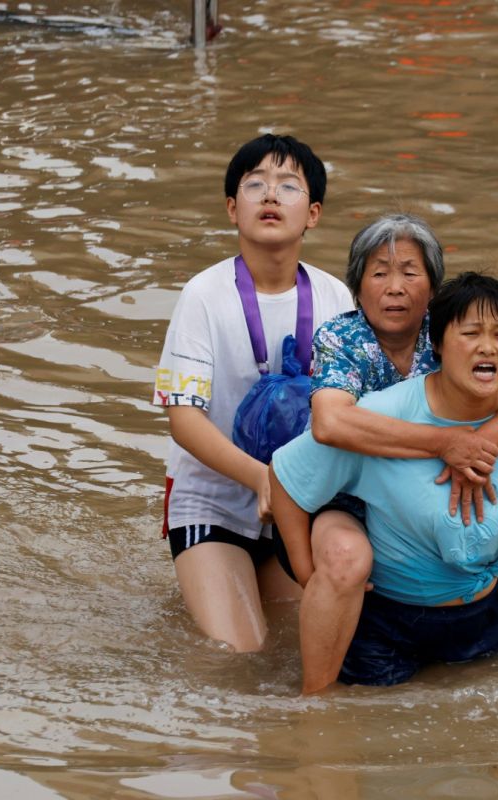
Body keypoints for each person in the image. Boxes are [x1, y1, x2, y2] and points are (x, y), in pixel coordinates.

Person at [279, 213, 498, 693]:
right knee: (346, 554)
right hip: (349, 490)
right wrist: (447, 444)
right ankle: (314, 699)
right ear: (356, 287)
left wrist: (483, 449)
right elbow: (329, 424)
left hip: (435, 491)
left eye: (410, 272)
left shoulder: (456, 328)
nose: (395, 287)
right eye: (379, 273)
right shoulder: (342, 339)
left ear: (433, 288)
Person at [151, 134, 353, 651]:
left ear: (312, 214)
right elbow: (184, 420)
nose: (269, 195)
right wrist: (263, 480)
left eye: (288, 186)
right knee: (240, 655)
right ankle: (202, 566)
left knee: (302, 647)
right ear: (230, 208)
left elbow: (357, 413)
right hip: (215, 501)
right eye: (255, 184)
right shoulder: (202, 295)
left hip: (302, 506)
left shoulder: (336, 296)